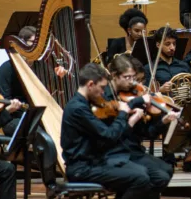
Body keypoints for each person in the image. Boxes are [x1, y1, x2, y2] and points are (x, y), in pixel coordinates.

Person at [61, 62, 177, 199]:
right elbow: (109, 135)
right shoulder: (78, 109)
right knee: (141, 178)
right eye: (102, 88)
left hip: (93, 162)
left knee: (146, 174)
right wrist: (123, 114)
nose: (103, 92)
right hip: (82, 168)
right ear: (90, 84)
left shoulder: (83, 104)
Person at [0, 26, 36, 136]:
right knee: (38, 131)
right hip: (12, 119)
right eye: (33, 42)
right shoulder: (7, 68)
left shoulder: (41, 67)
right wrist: (12, 107)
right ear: (22, 44)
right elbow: (5, 103)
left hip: (35, 115)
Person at [144, 27, 191, 94]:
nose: (172, 48)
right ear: (158, 45)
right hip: (162, 103)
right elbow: (145, 94)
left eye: (174, 44)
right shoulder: (149, 69)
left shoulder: (184, 65)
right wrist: (159, 90)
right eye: (167, 44)